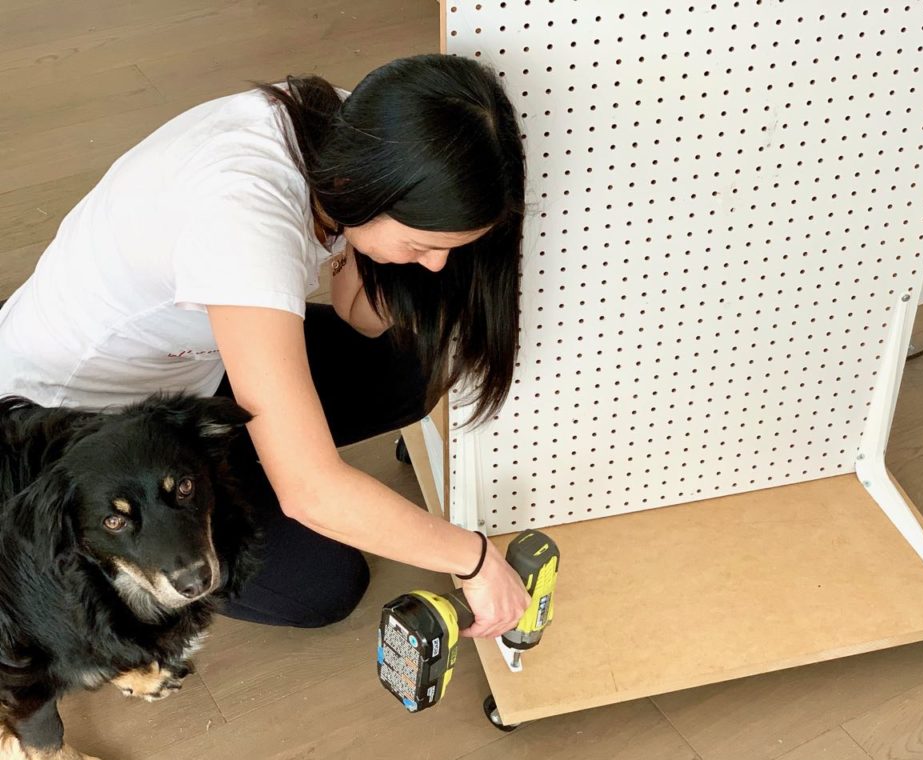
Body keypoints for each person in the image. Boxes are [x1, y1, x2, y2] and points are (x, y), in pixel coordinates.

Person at [0, 54, 531, 636]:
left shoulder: (359, 129)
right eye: (422, 244)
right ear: (360, 187)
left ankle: (254, 457)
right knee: (323, 587)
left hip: (189, 374)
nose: (437, 265)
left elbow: (361, 318)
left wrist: (397, 247)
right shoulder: (246, 220)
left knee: (407, 367)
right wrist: (473, 559)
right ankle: (88, 547)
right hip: (72, 429)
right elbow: (311, 493)